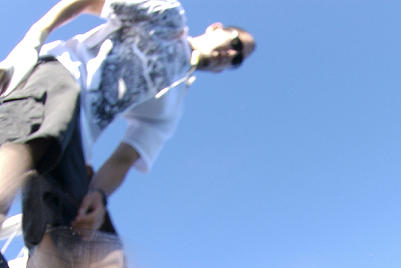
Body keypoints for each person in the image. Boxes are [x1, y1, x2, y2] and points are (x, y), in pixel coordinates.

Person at [0, 0, 255, 242]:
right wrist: (37, 34)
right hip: (62, 74)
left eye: (237, 59)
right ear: (215, 28)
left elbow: (124, 158)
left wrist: (98, 195)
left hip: (79, 135)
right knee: (45, 133)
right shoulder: (167, 17)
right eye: (234, 42)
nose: (231, 53)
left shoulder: (172, 104)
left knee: (79, 235)